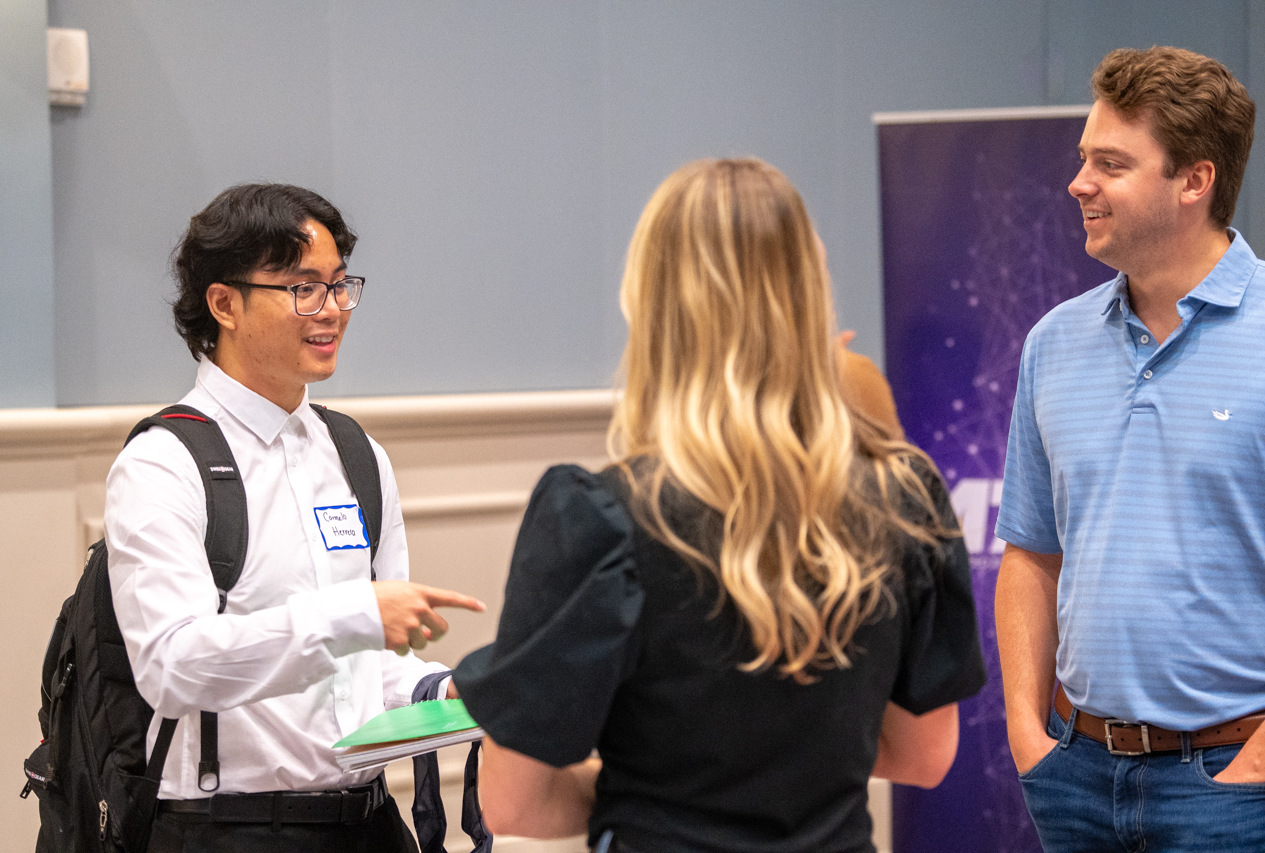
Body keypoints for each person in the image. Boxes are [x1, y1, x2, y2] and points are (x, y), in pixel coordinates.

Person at [453, 158, 987, 853]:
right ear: (810, 296)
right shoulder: (904, 496)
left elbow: (510, 799)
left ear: (652, 304)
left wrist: (640, 791)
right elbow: (923, 754)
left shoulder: (601, 517)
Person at [105, 183, 484, 852]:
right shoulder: (164, 461)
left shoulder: (357, 454)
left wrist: (449, 690)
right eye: (304, 288)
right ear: (224, 302)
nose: (332, 309)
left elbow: (368, 671)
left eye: (340, 286)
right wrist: (354, 613)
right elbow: (172, 665)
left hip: (368, 821)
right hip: (230, 829)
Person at [995, 46, 1264, 851]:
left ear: (1194, 181)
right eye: (1085, 159)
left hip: (1230, 789)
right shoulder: (1052, 342)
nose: (1079, 183)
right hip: (1073, 776)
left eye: (1110, 164)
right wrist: (1027, 738)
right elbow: (1030, 555)